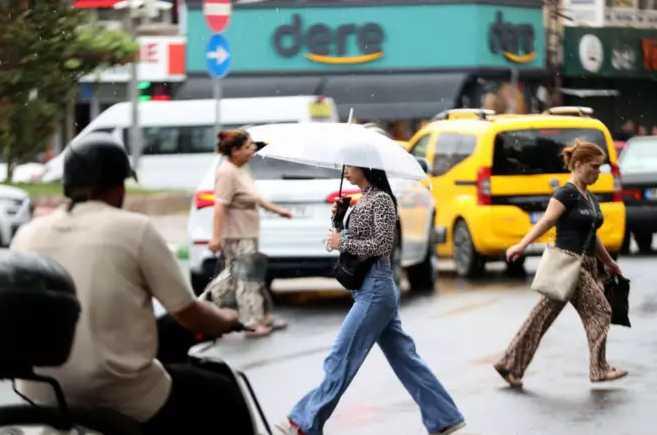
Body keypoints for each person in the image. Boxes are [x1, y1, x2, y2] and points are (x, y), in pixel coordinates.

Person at [10, 135, 256, 435]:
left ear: (67, 186)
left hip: (40, 392)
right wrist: (227, 321)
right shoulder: (134, 229)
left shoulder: (27, 234)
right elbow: (188, 313)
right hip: (119, 392)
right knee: (221, 391)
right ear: (118, 188)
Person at [274, 166, 466, 435]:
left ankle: (304, 422)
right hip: (367, 288)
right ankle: (445, 418)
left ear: (365, 167)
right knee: (406, 359)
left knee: (341, 357)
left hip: (376, 288)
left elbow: (383, 245)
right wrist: (339, 221)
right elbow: (350, 240)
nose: (346, 171)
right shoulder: (363, 197)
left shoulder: (383, 199)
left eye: (350, 166)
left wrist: (342, 242)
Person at [493, 140, 627, 388]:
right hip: (568, 263)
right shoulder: (566, 194)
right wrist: (521, 246)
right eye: (595, 167)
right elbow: (546, 222)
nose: (599, 172)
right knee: (600, 311)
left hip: (586, 264)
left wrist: (608, 262)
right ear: (578, 165)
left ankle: (509, 364)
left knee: (541, 317)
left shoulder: (588, 197)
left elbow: (592, 235)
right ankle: (598, 369)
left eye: (600, 168)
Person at [208, 129, 292, 337]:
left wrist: (278, 210)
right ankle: (250, 322)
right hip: (236, 235)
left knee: (246, 277)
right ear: (234, 151)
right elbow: (220, 207)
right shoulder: (226, 172)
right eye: (247, 147)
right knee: (244, 279)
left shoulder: (242, 169)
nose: (252, 149)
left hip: (248, 232)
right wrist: (216, 237)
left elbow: (256, 197)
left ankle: (254, 315)